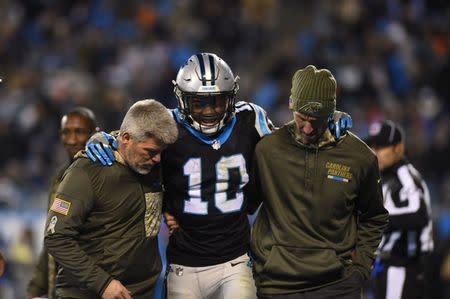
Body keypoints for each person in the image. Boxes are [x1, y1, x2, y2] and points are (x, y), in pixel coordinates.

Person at [87, 53, 352, 299]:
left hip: (235, 258)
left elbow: (291, 143)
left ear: (232, 96)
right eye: (199, 102)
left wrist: (323, 119)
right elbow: (129, 143)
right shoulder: (166, 124)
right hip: (183, 262)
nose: (210, 110)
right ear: (182, 98)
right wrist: (102, 138)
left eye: (217, 100)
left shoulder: (250, 118)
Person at [248, 65, 389, 299]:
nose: (308, 127)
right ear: (291, 104)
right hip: (276, 284)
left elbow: (374, 217)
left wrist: (361, 268)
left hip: (338, 285)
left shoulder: (360, 157)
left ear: (332, 112)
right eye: (302, 117)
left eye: (317, 119)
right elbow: (243, 205)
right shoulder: (267, 150)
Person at [44, 99, 178, 299]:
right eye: (150, 152)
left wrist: (169, 209)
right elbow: (56, 237)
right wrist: (102, 283)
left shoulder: (153, 166)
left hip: (140, 292)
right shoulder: (87, 171)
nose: (158, 159)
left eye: (160, 152)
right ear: (125, 138)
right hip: (87, 294)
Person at [27, 107, 99, 299]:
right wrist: (36, 289)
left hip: (90, 289)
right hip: (59, 290)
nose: (72, 140)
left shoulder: (103, 176)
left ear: (95, 133)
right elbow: (51, 237)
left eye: (79, 132)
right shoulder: (59, 178)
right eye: (66, 132)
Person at [365, 120, 434, 299]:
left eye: (381, 146)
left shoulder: (406, 177)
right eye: (372, 146)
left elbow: (418, 215)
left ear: (399, 148)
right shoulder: (387, 177)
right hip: (387, 265)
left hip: (402, 266)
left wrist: (376, 220)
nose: (375, 151)